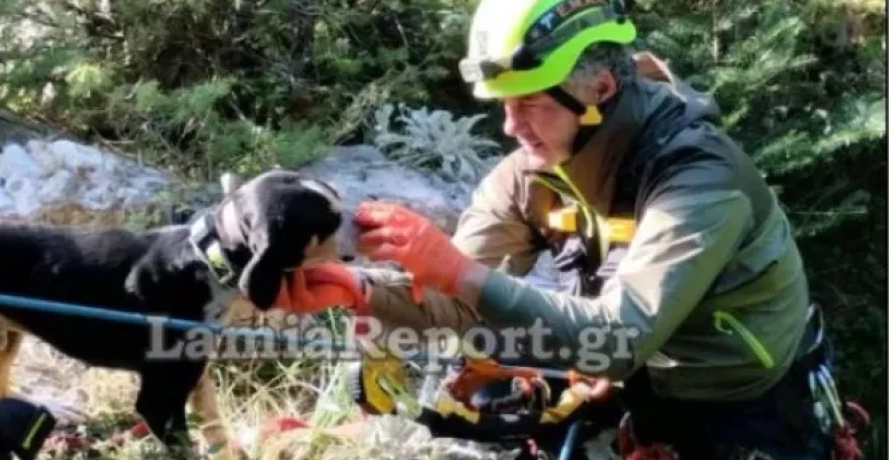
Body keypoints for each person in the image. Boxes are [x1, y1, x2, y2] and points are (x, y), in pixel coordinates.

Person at [273, 0, 843, 458]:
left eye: (530, 105)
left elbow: (621, 337)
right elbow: (456, 296)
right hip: (627, 381)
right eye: (504, 105)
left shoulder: (700, 182)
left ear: (599, 91)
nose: (511, 126)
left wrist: (455, 269)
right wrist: (363, 291)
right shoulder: (531, 172)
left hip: (742, 407)